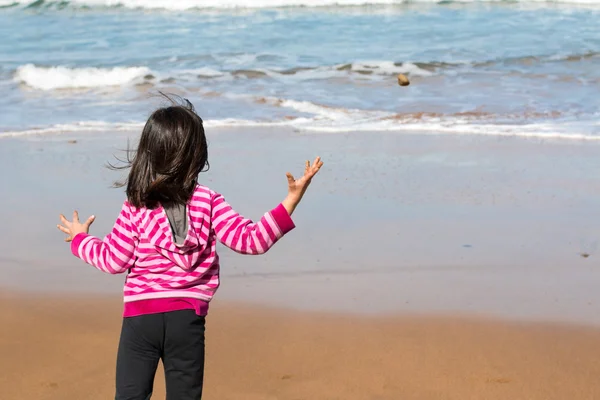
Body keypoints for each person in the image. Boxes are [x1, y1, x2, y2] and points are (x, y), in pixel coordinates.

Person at [56, 95, 323, 400]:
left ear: (149, 153)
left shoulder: (137, 205)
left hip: (141, 318)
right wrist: (291, 199)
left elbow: (114, 260)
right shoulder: (208, 200)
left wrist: (80, 239)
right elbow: (252, 240)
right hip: (187, 318)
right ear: (197, 153)